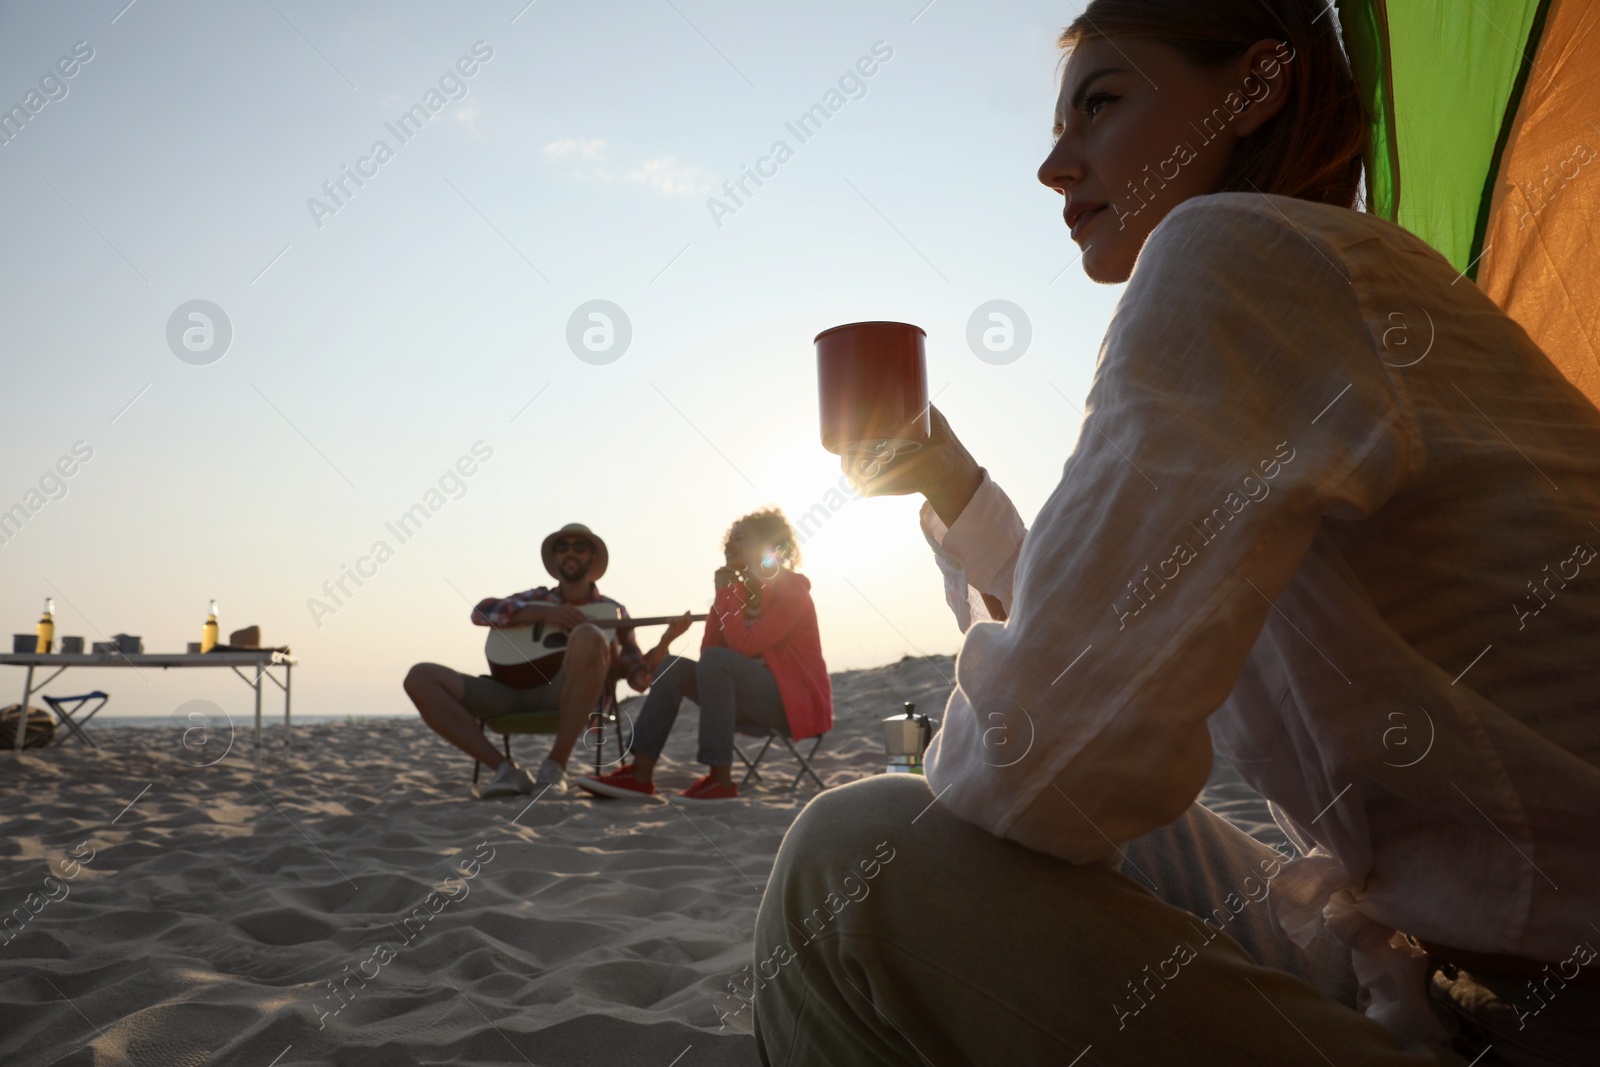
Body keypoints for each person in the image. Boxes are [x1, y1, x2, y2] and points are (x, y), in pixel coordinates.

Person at [753, 2, 1600, 1065]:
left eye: (1099, 105)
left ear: (1256, 86)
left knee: (852, 856)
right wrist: (950, 483)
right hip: (1424, 959)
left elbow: (1039, 770)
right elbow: (1100, 668)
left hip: (1540, 1018)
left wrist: (992, 740)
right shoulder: (1329, 280)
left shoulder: (1229, 249)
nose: (1053, 167)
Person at [403, 523, 679, 799]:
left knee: (589, 635)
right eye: (563, 547)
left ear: (593, 557)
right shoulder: (536, 598)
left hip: (566, 695)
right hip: (508, 692)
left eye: (579, 547)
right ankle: (504, 769)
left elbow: (638, 681)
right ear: (555, 558)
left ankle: (555, 767)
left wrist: (664, 644)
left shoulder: (614, 611)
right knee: (420, 677)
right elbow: (481, 612)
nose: (570, 553)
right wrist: (543, 614)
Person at [575, 509, 831, 802]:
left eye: (741, 539)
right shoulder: (732, 594)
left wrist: (724, 595)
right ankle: (640, 774)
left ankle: (719, 780)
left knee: (717, 661)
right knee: (672, 667)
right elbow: (709, 653)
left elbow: (743, 648)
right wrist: (724, 597)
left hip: (791, 704)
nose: (729, 546)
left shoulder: (792, 591)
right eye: (729, 540)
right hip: (743, 699)